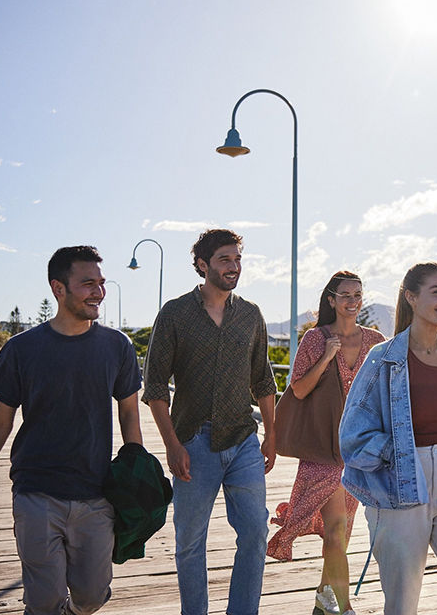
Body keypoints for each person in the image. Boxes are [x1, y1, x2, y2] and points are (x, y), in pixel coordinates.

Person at [0, 245, 143, 615]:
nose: (99, 292)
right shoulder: (22, 349)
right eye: (88, 284)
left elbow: (130, 414)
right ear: (58, 288)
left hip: (96, 493)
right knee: (43, 601)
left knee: (90, 597)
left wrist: (136, 476)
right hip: (36, 493)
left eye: (101, 283)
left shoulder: (116, 346)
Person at [340, 262, 437, 615]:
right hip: (399, 490)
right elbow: (352, 437)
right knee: (402, 604)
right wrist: (396, 454)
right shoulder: (382, 359)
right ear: (411, 297)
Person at [142, 229, 278, 615]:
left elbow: (263, 378)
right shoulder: (174, 314)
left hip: (243, 441)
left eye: (237, 259)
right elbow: (154, 387)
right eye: (224, 259)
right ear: (203, 265)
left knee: (255, 531)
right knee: (189, 540)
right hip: (193, 443)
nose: (233, 266)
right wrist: (172, 445)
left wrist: (272, 436)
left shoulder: (250, 314)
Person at [267, 271, 385, 615]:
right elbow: (299, 390)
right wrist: (325, 358)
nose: (352, 301)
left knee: (341, 536)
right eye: (345, 295)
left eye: (358, 295)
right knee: (335, 530)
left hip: (358, 450)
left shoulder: (376, 340)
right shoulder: (315, 339)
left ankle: (323, 602)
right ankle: (345, 606)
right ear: (331, 300)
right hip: (322, 451)